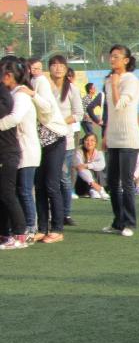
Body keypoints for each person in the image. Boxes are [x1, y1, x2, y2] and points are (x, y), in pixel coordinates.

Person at [101, 45, 139, 237]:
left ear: (126, 60)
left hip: (128, 138)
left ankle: (130, 223)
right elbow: (109, 110)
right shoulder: (109, 80)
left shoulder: (131, 80)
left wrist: (116, 84)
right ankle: (118, 221)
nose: (112, 59)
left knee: (126, 183)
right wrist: (105, 134)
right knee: (111, 182)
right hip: (114, 137)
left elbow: (119, 104)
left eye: (116, 56)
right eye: (111, 56)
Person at [0, 57, 38, 246]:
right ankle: (9, 233)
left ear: (8, 75)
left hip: (18, 150)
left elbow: (14, 119)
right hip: (14, 149)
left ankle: (23, 232)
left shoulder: (19, 95)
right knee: (11, 192)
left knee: (16, 192)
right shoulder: (12, 93)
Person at [31, 60, 68, 243]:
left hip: (55, 140)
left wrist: (32, 95)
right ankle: (42, 228)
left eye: (38, 68)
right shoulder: (27, 84)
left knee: (52, 185)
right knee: (39, 186)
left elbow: (47, 108)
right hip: (39, 144)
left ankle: (57, 229)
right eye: (32, 68)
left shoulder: (40, 82)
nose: (35, 71)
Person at [48, 55, 83, 226]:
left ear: (66, 68)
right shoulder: (45, 87)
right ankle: (51, 213)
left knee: (63, 177)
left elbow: (78, 114)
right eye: (54, 65)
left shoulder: (72, 89)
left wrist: (60, 123)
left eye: (61, 65)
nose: (58, 68)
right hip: (46, 139)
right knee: (49, 177)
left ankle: (65, 213)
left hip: (65, 139)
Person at [73, 132, 108, 199]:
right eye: (87, 140)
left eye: (92, 140)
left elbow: (102, 165)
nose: (89, 143)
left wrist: (87, 165)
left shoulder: (98, 153)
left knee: (98, 168)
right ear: (83, 142)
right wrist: (93, 183)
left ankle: (97, 190)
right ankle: (94, 189)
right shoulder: (78, 152)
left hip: (94, 182)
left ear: (96, 143)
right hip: (81, 183)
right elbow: (80, 169)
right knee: (84, 169)